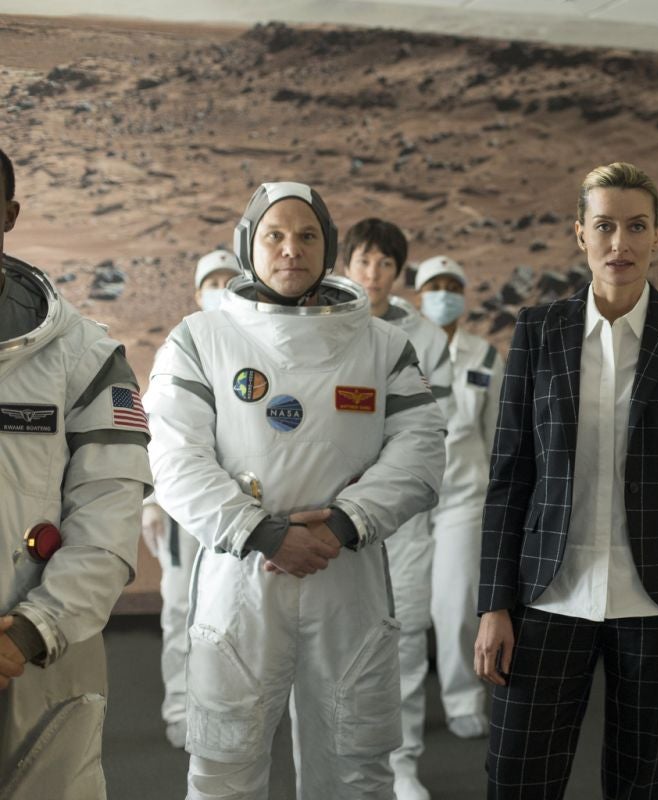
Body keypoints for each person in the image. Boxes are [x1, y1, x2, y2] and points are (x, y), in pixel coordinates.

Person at [145, 182, 446, 800]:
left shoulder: (382, 345)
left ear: (328, 248)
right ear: (246, 246)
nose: (291, 249)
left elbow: (421, 451)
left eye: (308, 235)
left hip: (347, 574)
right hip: (242, 577)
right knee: (224, 769)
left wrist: (344, 522)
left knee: (356, 768)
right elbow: (174, 459)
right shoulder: (200, 339)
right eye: (274, 235)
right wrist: (262, 532)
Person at [474, 161, 658, 799]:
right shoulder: (538, 330)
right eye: (604, 226)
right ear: (580, 233)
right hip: (547, 594)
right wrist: (493, 604)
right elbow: (509, 475)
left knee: (638, 784)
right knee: (517, 779)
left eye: (637, 226)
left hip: (656, 601)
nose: (620, 242)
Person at [0, 145, 153, 799]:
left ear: (9, 214)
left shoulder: (83, 356)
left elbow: (109, 514)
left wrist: (34, 629)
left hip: (34, 655)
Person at [342, 217, 454, 800]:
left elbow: (434, 428)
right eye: (364, 261)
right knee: (334, 642)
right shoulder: (323, 325)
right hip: (332, 509)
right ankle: (340, 759)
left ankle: (403, 762)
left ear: (399, 272)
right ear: (346, 264)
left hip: (401, 516)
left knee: (404, 634)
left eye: (386, 264)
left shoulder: (425, 340)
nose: (374, 274)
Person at [141, 248, 240, 749]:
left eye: (229, 280)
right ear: (198, 293)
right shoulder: (181, 346)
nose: (221, 290)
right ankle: (180, 708)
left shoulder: (254, 349)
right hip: (184, 508)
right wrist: (150, 503)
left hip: (241, 507)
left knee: (236, 614)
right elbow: (155, 431)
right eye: (212, 282)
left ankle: (226, 708)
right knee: (181, 609)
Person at [415, 254, 504, 740]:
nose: (443, 295)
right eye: (434, 287)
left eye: (452, 287)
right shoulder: (398, 350)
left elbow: (497, 437)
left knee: (455, 605)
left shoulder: (485, 356)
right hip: (407, 501)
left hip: (464, 498)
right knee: (402, 608)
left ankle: (463, 698)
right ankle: (397, 708)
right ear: (419, 296)